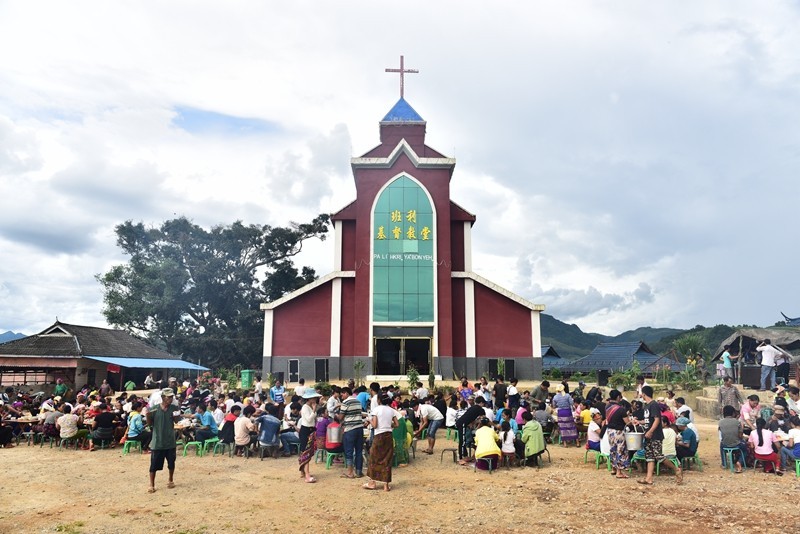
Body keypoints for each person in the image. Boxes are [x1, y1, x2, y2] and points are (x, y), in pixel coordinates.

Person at [639, 385, 681, 485]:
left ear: (644, 394)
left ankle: (676, 469)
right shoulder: (647, 406)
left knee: (659, 456)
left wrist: (650, 431)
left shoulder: (653, 405)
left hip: (655, 435)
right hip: (649, 435)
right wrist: (639, 422)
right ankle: (648, 478)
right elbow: (648, 421)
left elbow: (657, 420)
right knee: (650, 457)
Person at [146, 388, 180, 493]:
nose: (170, 399)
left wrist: (176, 416)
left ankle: (170, 480)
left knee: (171, 462)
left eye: (171, 397)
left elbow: (176, 421)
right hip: (157, 441)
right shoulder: (154, 409)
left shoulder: (174, 408)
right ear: (162, 398)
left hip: (170, 441)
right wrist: (147, 416)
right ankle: (151, 484)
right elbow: (149, 423)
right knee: (154, 465)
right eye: (168, 397)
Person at [364, 394, 398, 491]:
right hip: (389, 435)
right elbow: (397, 424)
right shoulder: (391, 410)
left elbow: (375, 425)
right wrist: (389, 425)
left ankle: (372, 482)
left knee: (374, 458)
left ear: (379, 400)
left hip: (379, 435)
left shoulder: (376, 410)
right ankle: (386, 485)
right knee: (387, 459)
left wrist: (369, 419)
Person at [339, 387, 365, 479]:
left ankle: (350, 472)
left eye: (342, 394)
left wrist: (336, 415)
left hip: (350, 429)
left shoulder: (345, 402)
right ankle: (359, 472)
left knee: (349, 451)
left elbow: (341, 417)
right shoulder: (357, 401)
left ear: (346, 393)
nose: (341, 396)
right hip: (359, 428)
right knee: (359, 451)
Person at [605, 390, 631, 479]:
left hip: (610, 431)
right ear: (618, 397)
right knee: (621, 450)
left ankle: (613, 468)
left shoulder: (607, 407)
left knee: (613, 449)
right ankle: (619, 472)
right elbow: (627, 422)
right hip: (619, 432)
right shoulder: (621, 409)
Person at [298, 389, 321, 483]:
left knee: (306, 452)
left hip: (310, 430)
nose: (315, 398)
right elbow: (308, 419)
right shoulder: (305, 407)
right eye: (314, 397)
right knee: (306, 453)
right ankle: (307, 475)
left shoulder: (309, 407)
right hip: (305, 430)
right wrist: (314, 410)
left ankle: (303, 471)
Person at [456, 398, 487, 464]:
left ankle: (465, 455)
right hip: (463, 424)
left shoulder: (473, 408)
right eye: (483, 404)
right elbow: (484, 419)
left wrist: (473, 424)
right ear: (481, 403)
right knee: (463, 441)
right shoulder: (480, 409)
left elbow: (471, 418)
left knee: (463, 440)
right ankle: (461, 458)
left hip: (461, 422)